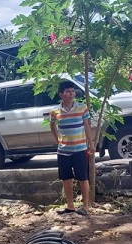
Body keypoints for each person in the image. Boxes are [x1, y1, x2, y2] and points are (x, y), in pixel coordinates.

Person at [49, 81, 95, 216]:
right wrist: (58, 139)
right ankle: (70, 205)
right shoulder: (55, 111)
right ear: (61, 94)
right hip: (63, 151)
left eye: (73, 91)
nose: (71, 94)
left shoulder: (82, 108)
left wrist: (91, 144)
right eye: (68, 91)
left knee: (83, 177)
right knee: (66, 178)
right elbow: (52, 125)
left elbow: (86, 126)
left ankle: (85, 206)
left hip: (80, 149)